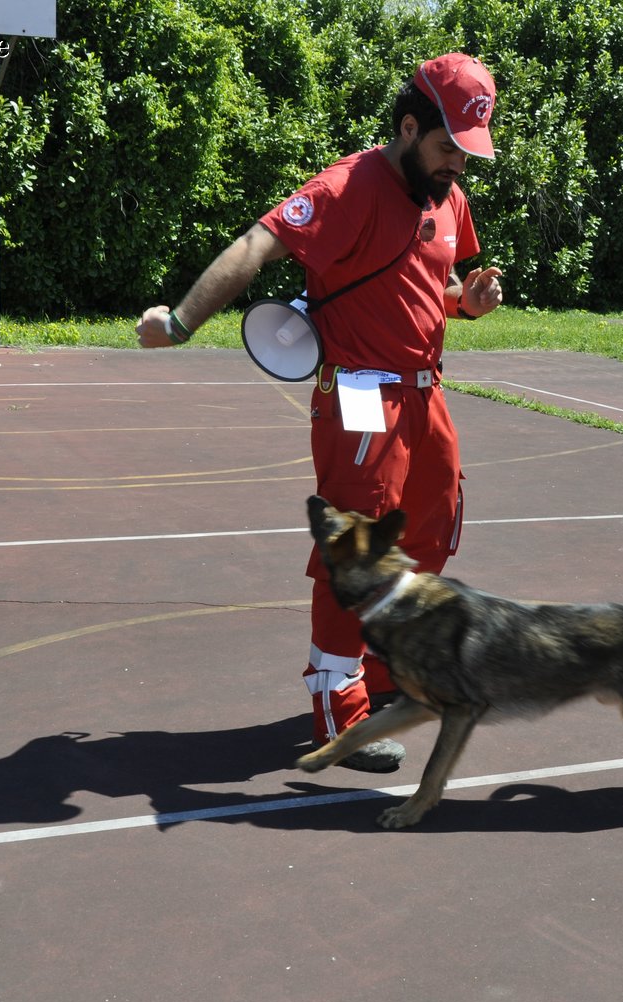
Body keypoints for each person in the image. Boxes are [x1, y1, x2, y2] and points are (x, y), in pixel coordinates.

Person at [137, 53, 504, 771]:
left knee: (432, 529)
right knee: (357, 548)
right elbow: (256, 244)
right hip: (361, 394)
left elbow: (441, 282)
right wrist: (180, 322)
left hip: (425, 393)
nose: (456, 166)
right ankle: (338, 705)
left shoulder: (447, 194)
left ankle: (386, 667)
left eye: (467, 154)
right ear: (408, 126)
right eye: (446, 148)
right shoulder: (347, 185)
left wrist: (470, 302)